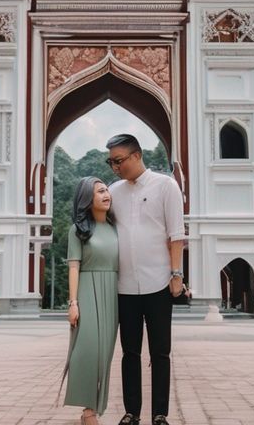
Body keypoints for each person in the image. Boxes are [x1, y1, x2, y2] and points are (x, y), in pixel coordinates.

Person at [105, 134, 187, 425]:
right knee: (129, 352)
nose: (115, 167)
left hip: (158, 283)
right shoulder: (114, 191)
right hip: (124, 286)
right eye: (111, 162)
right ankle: (132, 412)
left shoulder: (166, 185)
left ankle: (160, 413)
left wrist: (177, 275)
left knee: (160, 352)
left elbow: (176, 234)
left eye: (119, 161)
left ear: (136, 155)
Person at [62, 177, 120, 425]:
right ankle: (88, 411)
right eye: (100, 191)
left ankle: (94, 407)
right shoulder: (77, 230)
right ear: (88, 199)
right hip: (86, 291)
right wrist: (73, 303)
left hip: (112, 293)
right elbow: (73, 267)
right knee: (87, 352)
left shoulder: (115, 227)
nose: (106, 194)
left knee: (104, 355)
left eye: (106, 189)